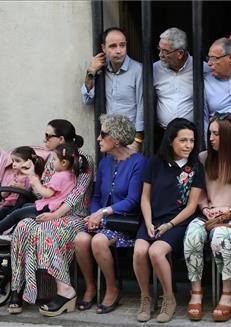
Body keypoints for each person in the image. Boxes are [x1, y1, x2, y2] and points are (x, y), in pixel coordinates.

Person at [8, 119, 94, 317]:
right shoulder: (50, 160)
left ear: (61, 138)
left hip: (74, 217)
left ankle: (65, 290)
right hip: (51, 213)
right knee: (22, 226)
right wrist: (32, 179)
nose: (44, 140)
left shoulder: (84, 159)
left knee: (44, 230)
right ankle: (18, 287)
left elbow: (77, 194)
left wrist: (54, 215)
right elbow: (44, 194)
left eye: (48, 136)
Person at [183, 112, 231, 322]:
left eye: (216, 134)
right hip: (209, 213)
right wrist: (205, 209)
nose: (211, 138)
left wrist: (229, 209)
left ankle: (228, 292)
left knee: (220, 238)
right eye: (210, 133)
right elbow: (200, 192)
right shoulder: (204, 157)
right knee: (192, 236)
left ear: (230, 135)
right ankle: (196, 291)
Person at [134, 118, 204, 323]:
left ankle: (169, 298)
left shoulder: (196, 168)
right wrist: (148, 221)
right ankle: (145, 297)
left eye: (191, 141)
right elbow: (145, 197)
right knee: (139, 251)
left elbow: (192, 206)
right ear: (171, 141)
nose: (188, 145)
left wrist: (170, 224)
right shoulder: (155, 163)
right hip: (152, 219)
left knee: (156, 252)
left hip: (178, 222)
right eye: (183, 140)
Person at [74, 113, 146, 314]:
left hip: (125, 222)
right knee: (80, 239)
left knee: (98, 241)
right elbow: (96, 195)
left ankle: (112, 287)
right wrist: (94, 215)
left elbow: (132, 200)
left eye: (103, 134)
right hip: (103, 221)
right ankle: (90, 286)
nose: (98, 138)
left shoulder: (138, 162)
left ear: (116, 139)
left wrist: (103, 213)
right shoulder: (105, 163)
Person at [0, 143, 79, 248]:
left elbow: (46, 193)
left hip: (47, 209)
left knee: (16, 214)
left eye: (54, 159)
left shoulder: (60, 176)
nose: (52, 162)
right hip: (49, 207)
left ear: (64, 163)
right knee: (24, 207)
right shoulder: (71, 175)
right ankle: (8, 233)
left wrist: (36, 182)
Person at [0, 146, 46, 253]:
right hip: (7, 206)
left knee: (22, 198)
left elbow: (35, 195)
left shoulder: (33, 176)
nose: (14, 164)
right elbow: (3, 195)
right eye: (13, 161)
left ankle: (9, 234)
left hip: (21, 207)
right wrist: (10, 187)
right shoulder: (12, 176)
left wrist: (23, 188)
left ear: (28, 162)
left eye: (17, 161)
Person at [81, 27, 144, 150]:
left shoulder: (138, 70)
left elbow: (142, 106)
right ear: (103, 48)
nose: (119, 50)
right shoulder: (102, 70)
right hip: (108, 136)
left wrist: (137, 140)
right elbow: (87, 100)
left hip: (129, 138)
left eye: (122, 45)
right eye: (113, 46)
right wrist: (91, 72)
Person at [153, 27, 194, 149]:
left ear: (180, 53)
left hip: (191, 135)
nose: (160, 55)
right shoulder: (154, 69)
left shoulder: (201, 68)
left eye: (165, 51)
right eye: (159, 49)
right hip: (162, 134)